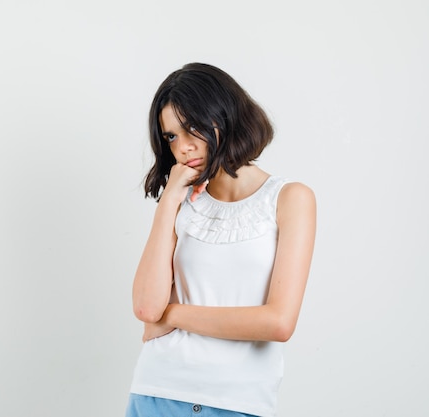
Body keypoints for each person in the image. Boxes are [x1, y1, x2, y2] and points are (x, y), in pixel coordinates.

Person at [126, 63, 316, 417]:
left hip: (237, 403)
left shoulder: (290, 199)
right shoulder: (181, 203)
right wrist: (168, 201)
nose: (183, 148)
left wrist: (174, 315)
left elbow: (278, 323)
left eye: (192, 129)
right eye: (171, 136)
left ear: (225, 116)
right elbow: (146, 310)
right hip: (156, 392)